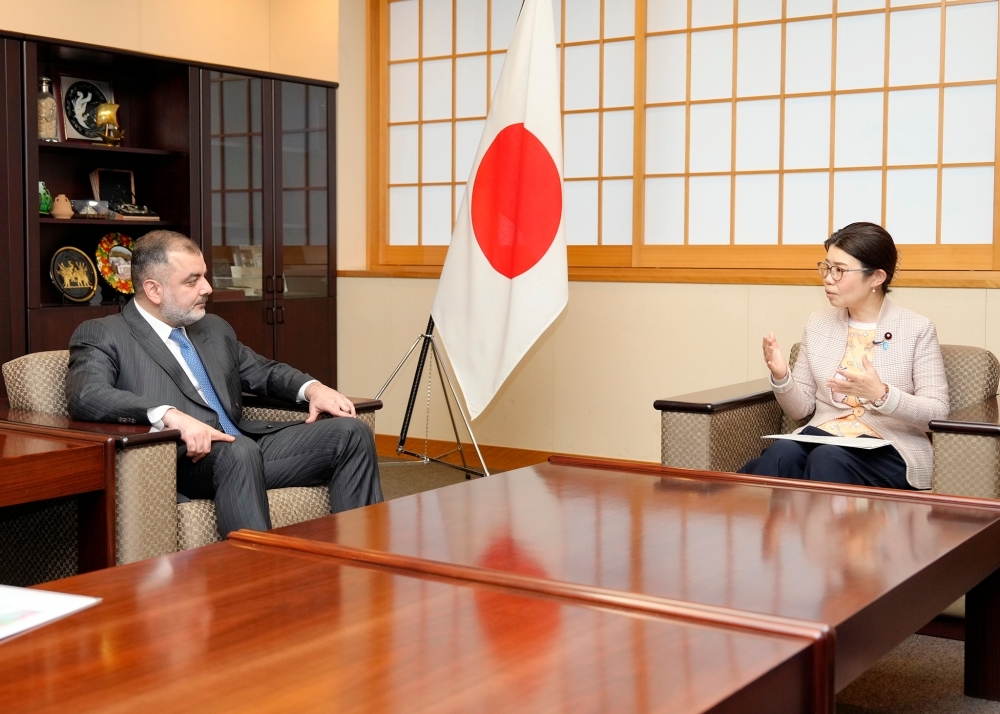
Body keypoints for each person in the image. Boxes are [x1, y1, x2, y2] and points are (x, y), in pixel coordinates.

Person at [65, 230, 383, 536]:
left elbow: (265, 372)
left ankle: (359, 559)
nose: (207, 288)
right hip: (182, 460)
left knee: (351, 432)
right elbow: (87, 394)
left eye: (204, 276)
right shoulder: (105, 333)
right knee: (238, 451)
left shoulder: (212, 328)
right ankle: (259, 579)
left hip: (244, 448)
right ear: (154, 290)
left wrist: (314, 389)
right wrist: (168, 415)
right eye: (193, 281)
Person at [739, 222, 949, 490]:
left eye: (839, 271)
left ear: (876, 277)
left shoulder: (917, 329)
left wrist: (882, 394)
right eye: (826, 267)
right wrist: (782, 377)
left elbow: (937, 413)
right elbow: (799, 409)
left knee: (828, 459)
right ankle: (760, 529)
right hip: (825, 435)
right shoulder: (818, 324)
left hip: (890, 446)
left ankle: (826, 533)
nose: (828, 278)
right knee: (783, 453)